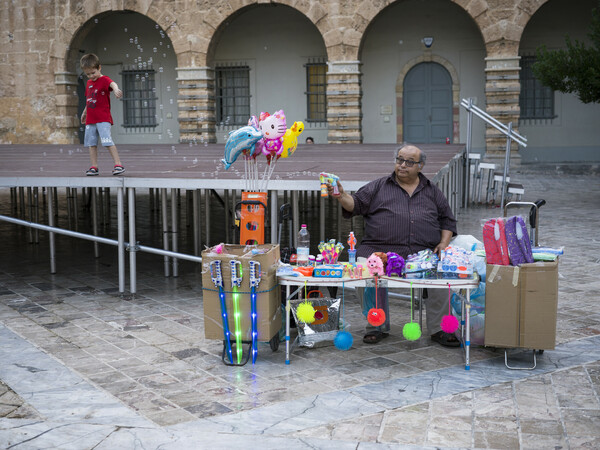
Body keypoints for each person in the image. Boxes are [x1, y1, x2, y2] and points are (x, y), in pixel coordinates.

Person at [328, 144, 460, 347]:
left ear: (420, 166)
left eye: (409, 162)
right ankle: (376, 324)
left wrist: (443, 243)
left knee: (442, 272)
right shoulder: (378, 186)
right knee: (365, 272)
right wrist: (341, 196)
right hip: (379, 249)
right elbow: (354, 204)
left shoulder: (432, 191)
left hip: (422, 253)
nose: (403, 165)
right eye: (399, 160)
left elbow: (447, 220)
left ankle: (439, 329)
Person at [80, 53, 125, 176]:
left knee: (107, 141)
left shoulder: (104, 80)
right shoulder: (89, 83)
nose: (91, 76)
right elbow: (89, 100)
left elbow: (112, 84)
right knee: (91, 143)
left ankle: (118, 164)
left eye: (93, 72)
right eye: (88, 74)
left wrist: (115, 89)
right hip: (90, 119)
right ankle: (94, 166)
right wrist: (84, 113)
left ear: (99, 67)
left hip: (103, 118)